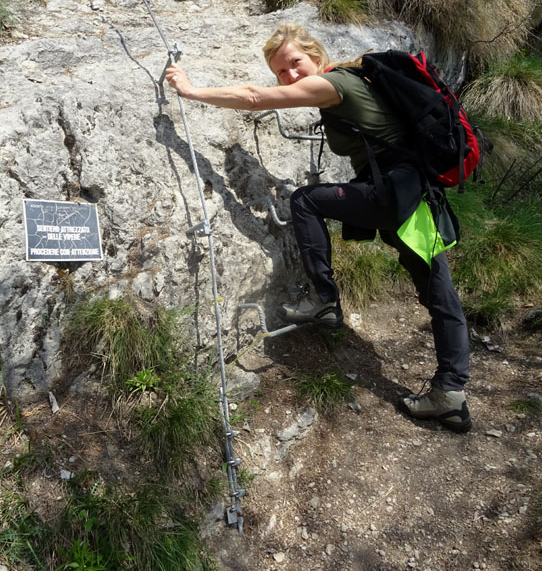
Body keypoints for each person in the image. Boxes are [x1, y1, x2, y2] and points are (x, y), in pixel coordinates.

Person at [165, 24, 472, 433]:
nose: (291, 76)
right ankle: (450, 394)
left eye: (295, 63)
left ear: (315, 55)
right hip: (412, 197)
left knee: (305, 200)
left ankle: (324, 298)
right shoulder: (354, 80)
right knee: (439, 293)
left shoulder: (333, 83)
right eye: (282, 73)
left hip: (396, 195)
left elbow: (255, 98)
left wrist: (190, 91)